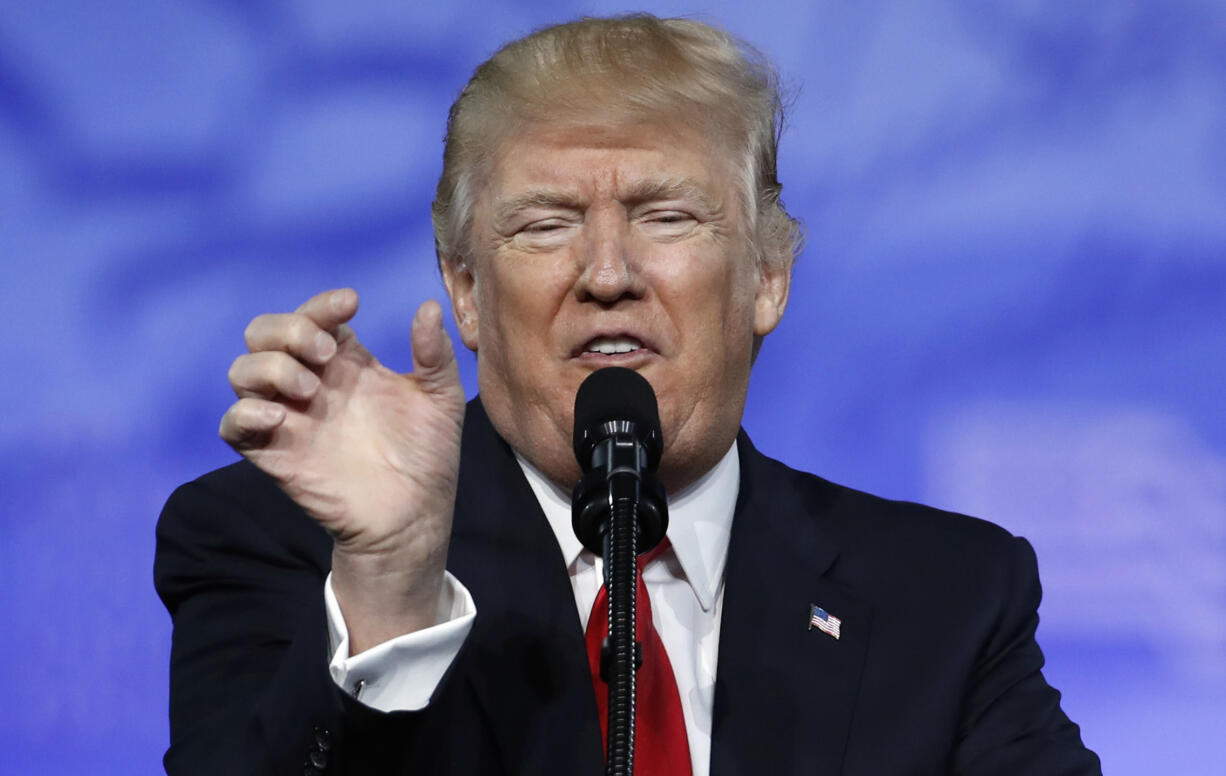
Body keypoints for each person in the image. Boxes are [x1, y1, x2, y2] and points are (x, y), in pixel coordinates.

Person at [155, 14, 1101, 776]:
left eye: (666, 216)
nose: (607, 272)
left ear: (768, 277)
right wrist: (394, 586)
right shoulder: (281, 547)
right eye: (546, 223)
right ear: (468, 292)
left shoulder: (942, 597)